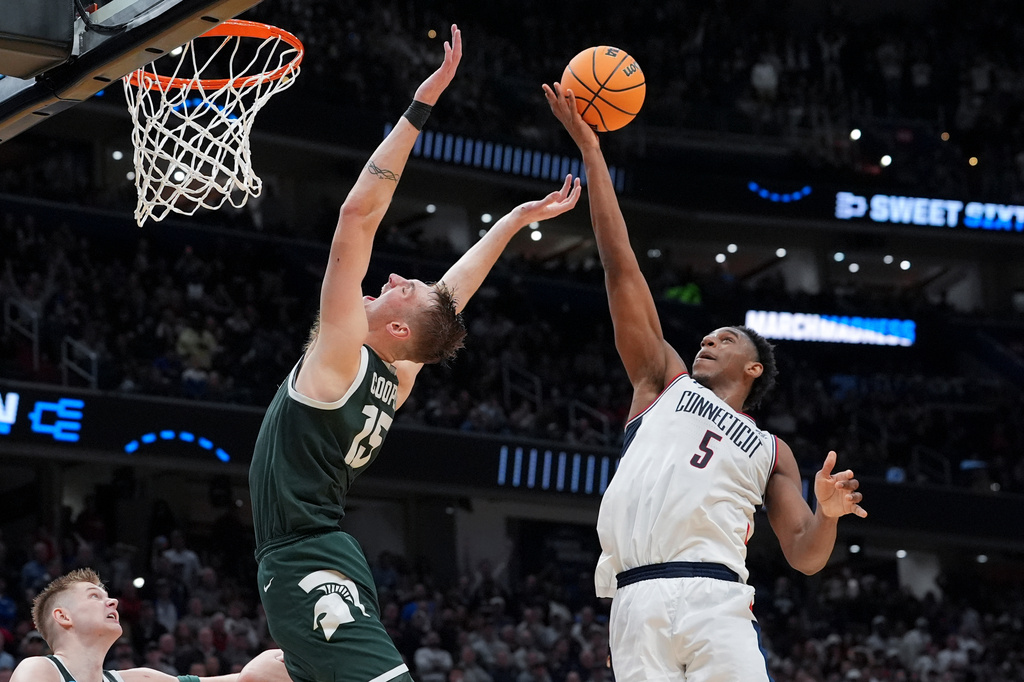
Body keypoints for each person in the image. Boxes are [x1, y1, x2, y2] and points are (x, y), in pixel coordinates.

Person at [249, 25, 580, 682]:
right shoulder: (395, 375)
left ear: (397, 330)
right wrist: (511, 223)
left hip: (303, 559)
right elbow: (448, 302)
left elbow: (357, 217)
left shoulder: (342, 356)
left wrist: (421, 104)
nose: (396, 278)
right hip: (326, 552)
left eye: (405, 290)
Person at [543, 82, 868, 682]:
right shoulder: (662, 382)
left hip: (715, 599)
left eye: (725, 338)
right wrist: (592, 153)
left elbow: (803, 553)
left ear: (755, 369)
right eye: (706, 336)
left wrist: (826, 515)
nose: (706, 340)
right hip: (634, 602)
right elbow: (622, 271)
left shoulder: (774, 451)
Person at [9, 568, 287, 682]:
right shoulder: (40, 669)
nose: (113, 602)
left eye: (108, 596)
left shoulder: (133, 677)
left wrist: (271, 668)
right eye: (95, 596)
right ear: (63, 617)